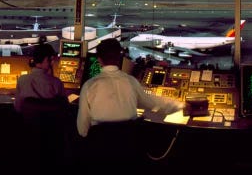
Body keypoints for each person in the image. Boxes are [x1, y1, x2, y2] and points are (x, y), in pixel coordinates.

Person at [76, 38, 183, 169]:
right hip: (128, 151)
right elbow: (153, 103)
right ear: (120, 56)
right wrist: (181, 106)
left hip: (99, 154)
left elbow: (82, 128)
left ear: (99, 59)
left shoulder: (89, 86)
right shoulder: (131, 82)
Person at [14, 43, 71, 170]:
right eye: (51, 59)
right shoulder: (56, 83)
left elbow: (18, 108)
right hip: (52, 139)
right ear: (47, 60)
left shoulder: (22, 80)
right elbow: (64, 109)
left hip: (29, 136)